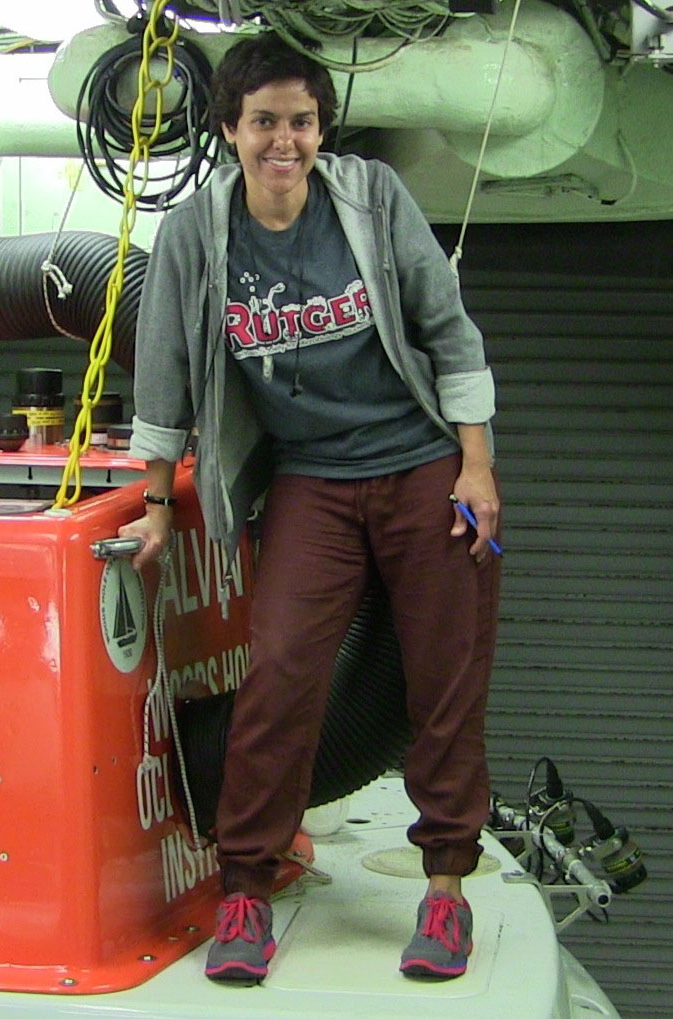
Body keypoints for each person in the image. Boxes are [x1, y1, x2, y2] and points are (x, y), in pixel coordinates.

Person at [120, 31, 501, 985]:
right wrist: (154, 503)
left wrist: (476, 467)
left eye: (298, 121)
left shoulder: (370, 198)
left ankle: (445, 892)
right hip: (310, 481)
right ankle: (244, 889)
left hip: (420, 467)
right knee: (281, 671)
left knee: (443, 682)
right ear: (229, 130)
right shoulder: (195, 233)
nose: (281, 140)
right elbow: (162, 374)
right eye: (262, 122)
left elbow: (446, 331)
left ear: (319, 128)